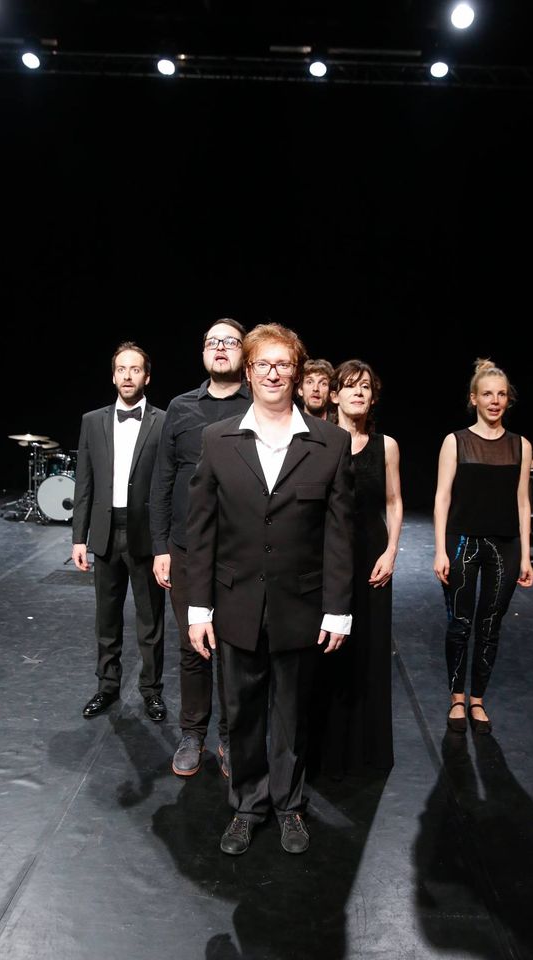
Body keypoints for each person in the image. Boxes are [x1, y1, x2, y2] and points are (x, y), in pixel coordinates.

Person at [186, 322, 354, 856]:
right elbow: (201, 531)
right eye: (263, 364)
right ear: (249, 372)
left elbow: (339, 534)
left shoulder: (330, 443)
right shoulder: (217, 440)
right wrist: (198, 608)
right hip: (235, 602)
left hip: (300, 606)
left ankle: (289, 806)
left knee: (291, 715)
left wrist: (338, 609)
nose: (273, 373)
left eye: (283, 364)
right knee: (241, 712)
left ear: (297, 372)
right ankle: (247, 806)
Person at [149, 318, 251, 779]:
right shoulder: (181, 406)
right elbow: (163, 478)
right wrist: (160, 546)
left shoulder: (258, 404)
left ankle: (230, 736)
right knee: (193, 645)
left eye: (229, 341)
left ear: (244, 352)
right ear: (203, 353)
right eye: (212, 342)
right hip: (186, 547)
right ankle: (193, 733)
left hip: (240, 550)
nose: (220, 348)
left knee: (233, 647)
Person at [310, 359, 402, 779]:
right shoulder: (319, 440)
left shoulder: (387, 446)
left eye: (365, 386)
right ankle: (324, 748)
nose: (358, 392)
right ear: (334, 395)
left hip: (371, 557)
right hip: (328, 558)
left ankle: (366, 749)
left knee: (369, 649)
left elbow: (393, 502)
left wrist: (392, 551)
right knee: (328, 649)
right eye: (350, 386)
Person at [433, 357, 533, 735]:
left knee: (490, 626)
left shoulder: (520, 445)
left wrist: (526, 556)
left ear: (508, 399)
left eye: (501, 394)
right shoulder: (456, 441)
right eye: (488, 394)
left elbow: (523, 502)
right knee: (460, 624)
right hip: (462, 542)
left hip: (505, 546)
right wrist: (439, 550)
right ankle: (457, 697)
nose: (495, 401)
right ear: (474, 398)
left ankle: (477, 699)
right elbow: (442, 497)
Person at [72, 341, 167, 722]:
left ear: (147, 376)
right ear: (113, 376)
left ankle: (152, 691)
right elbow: (84, 482)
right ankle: (107, 686)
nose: (128, 376)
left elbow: (167, 484)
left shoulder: (163, 421)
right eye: (121, 369)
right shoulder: (92, 421)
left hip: (146, 534)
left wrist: (165, 542)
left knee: (151, 621)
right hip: (105, 533)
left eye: (135, 369)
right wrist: (78, 537)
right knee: (106, 619)